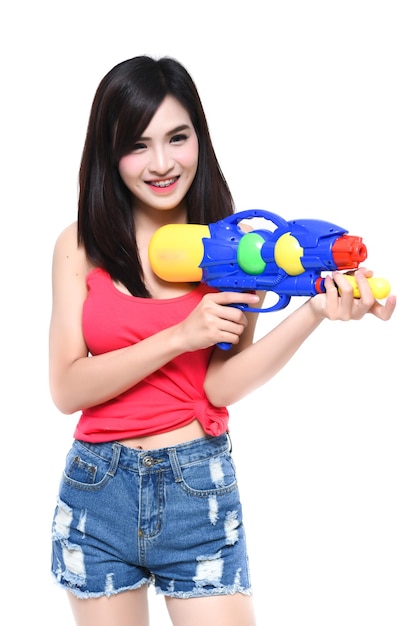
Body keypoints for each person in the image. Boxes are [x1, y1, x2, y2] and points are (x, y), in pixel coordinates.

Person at [49, 55, 396, 626]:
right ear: (110, 155)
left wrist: (312, 313)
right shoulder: (80, 244)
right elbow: (66, 387)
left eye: (177, 138)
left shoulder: (235, 244)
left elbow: (217, 386)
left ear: (199, 140)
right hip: (97, 490)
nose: (161, 164)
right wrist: (179, 335)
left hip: (197, 488)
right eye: (138, 145)